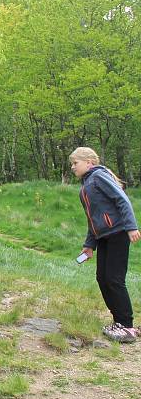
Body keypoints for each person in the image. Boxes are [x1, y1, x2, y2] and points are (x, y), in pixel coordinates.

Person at [70, 147, 139, 343]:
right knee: (102, 278)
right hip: (103, 237)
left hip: (118, 233)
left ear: (90, 162)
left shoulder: (99, 176)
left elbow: (122, 200)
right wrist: (89, 245)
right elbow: (92, 219)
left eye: (76, 163)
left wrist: (131, 227)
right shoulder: (86, 186)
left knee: (114, 279)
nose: (72, 167)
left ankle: (127, 326)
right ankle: (118, 322)